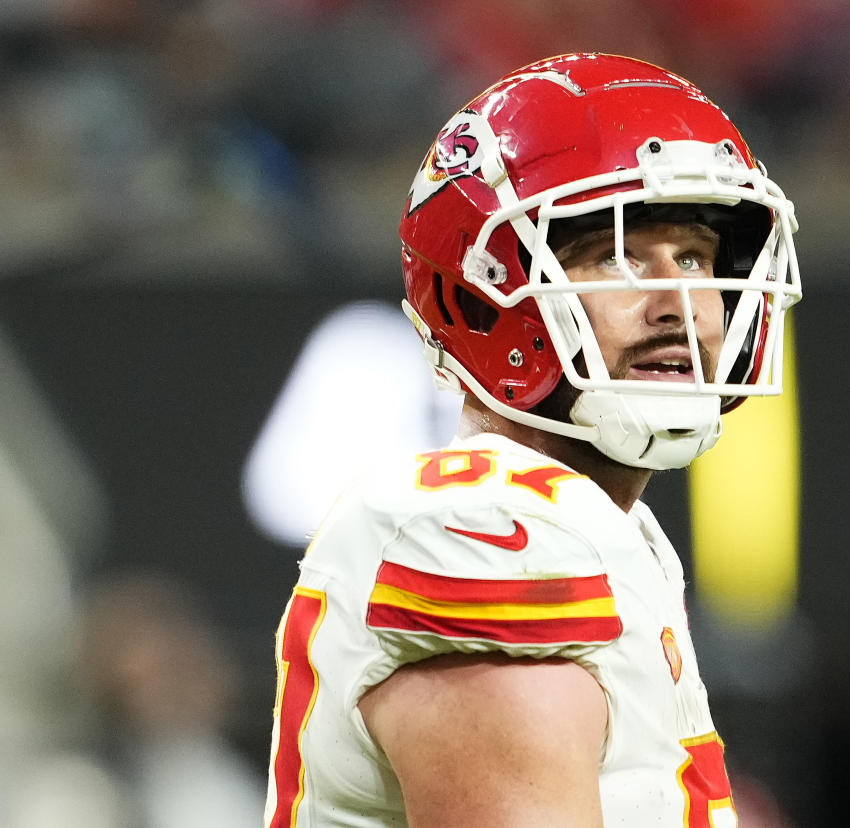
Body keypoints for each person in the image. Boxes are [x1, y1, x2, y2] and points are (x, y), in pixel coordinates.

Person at [263, 52, 801, 827]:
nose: (677, 303)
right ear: (478, 293)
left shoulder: (596, 525)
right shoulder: (484, 532)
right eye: (615, 256)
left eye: (693, 256)